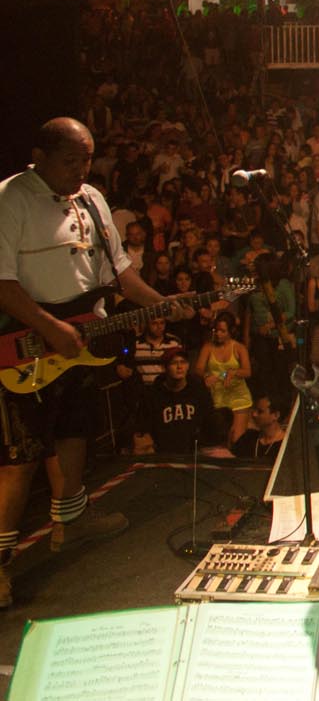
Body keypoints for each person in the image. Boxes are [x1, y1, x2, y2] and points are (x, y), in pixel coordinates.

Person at [0, 118, 183, 607]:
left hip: (80, 339)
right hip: (26, 343)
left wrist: (161, 302)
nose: (81, 170)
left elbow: (119, 273)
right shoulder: (10, 198)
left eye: (86, 159)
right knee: (20, 457)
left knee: (74, 432)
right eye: (70, 161)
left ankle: (71, 520)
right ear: (40, 156)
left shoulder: (92, 200)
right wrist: (49, 328)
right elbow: (2, 283)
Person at [197, 313, 253, 445]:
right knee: (219, 440)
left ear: (231, 331)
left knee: (236, 441)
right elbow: (198, 369)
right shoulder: (208, 347)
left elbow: (247, 371)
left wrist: (234, 372)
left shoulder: (239, 348)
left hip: (238, 397)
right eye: (216, 330)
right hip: (217, 398)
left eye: (222, 331)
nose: (218, 334)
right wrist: (206, 376)